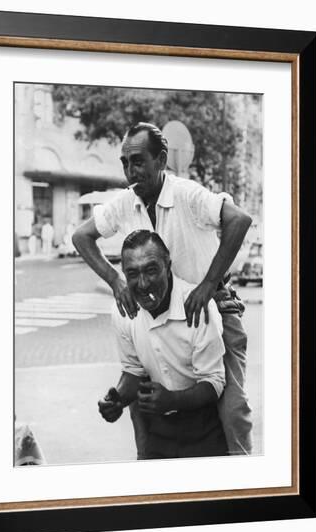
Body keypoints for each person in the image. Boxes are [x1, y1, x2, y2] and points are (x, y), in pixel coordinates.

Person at [73, 122, 253, 455]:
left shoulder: (186, 193)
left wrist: (209, 283)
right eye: (125, 163)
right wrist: (115, 281)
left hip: (207, 308)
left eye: (138, 161)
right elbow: (81, 236)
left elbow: (238, 220)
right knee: (141, 407)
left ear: (162, 160)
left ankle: (242, 490)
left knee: (231, 411)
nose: (130, 171)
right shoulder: (126, 202)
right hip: (154, 314)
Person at [98, 230, 228, 459]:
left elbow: (214, 383)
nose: (143, 283)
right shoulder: (123, 313)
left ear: (168, 266)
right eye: (132, 274)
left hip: (204, 430)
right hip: (157, 430)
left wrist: (173, 400)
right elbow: (133, 371)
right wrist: (117, 400)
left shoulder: (198, 306)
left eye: (151, 270)